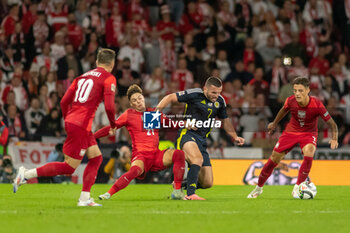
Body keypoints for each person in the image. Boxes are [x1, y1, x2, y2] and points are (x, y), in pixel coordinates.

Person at [13, 48, 118, 207]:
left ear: (97, 62)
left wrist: (68, 119)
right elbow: (110, 107)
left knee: (96, 158)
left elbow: (63, 102)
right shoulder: (109, 78)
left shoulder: (81, 77)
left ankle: (84, 198)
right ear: (112, 64)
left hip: (74, 122)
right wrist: (113, 124)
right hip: (82, 124)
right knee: (69, 167)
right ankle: (26, 174)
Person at [247, 77, 338, 199]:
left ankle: (297, 187)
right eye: (295, 90)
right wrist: (274, 123)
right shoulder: (290, 101)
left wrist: (335, 138)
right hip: (291, 132)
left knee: (309, 151)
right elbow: (283, 111)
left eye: (300, 90)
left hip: (308, 134)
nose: (297, 93)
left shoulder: (317, 104)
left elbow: (332, 123)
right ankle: (258, 188)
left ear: (308, 90)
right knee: (274, 158)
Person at [156, 76, 245, 200]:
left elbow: (225, 121)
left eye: (219, 92)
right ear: (205, 89)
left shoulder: (220, 101)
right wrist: (156, 113)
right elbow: (170, 97)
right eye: (213, 92)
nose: (216, 95)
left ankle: (180, 185)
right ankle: (190, 194)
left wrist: (235, 136)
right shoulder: (194, 94)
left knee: (207, 182)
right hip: (187, 135)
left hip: (202, 141)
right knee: (197, 159)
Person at [95, 84, 186, 201]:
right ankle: (108, 194)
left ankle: (177, 192)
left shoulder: (154, 113)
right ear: (131, 104)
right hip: (141, 156)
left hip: (156, 155)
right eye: (134, 100)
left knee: (179, 154)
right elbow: (110, 128)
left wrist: (185, 124)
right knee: (133, 171)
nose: (138, 101)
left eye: (139, 98)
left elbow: (173, 125)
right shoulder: (129, 114)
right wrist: (92, 137)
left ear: (143, 98)